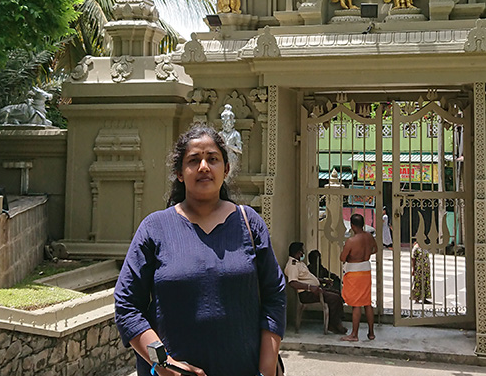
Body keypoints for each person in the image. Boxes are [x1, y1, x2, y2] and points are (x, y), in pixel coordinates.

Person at [114, 125, 286, 376]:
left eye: (213, 159)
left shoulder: (249, 223)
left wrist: (267, 367)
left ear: (226, 169)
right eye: (194, 160)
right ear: (180, 173)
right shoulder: (155, 228)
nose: (204, 166)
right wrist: (163, 364)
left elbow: (275, 294)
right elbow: (127, 304)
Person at [283, 242, 347, 334]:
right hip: (307, 294)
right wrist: (310, 287)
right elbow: (293, 282)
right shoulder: (292, 265)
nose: (303, 253)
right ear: (298, 252)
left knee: (336, 293)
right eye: (302, 251)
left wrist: (323, 281)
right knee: (334, 298)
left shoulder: (299, 263)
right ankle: (333, 325)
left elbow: (309, 277)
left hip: (314, 290)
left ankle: (337, 321)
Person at [339, 213, 376, 342]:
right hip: (366, 269)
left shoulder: (351, 241)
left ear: (353, 226)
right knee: (367, 303)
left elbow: (342, 258)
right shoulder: (369, 237)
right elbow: (375, 249)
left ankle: (354, 334)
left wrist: (353, 257)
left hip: (354, 272)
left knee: (356, 304)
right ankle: (371, 333)